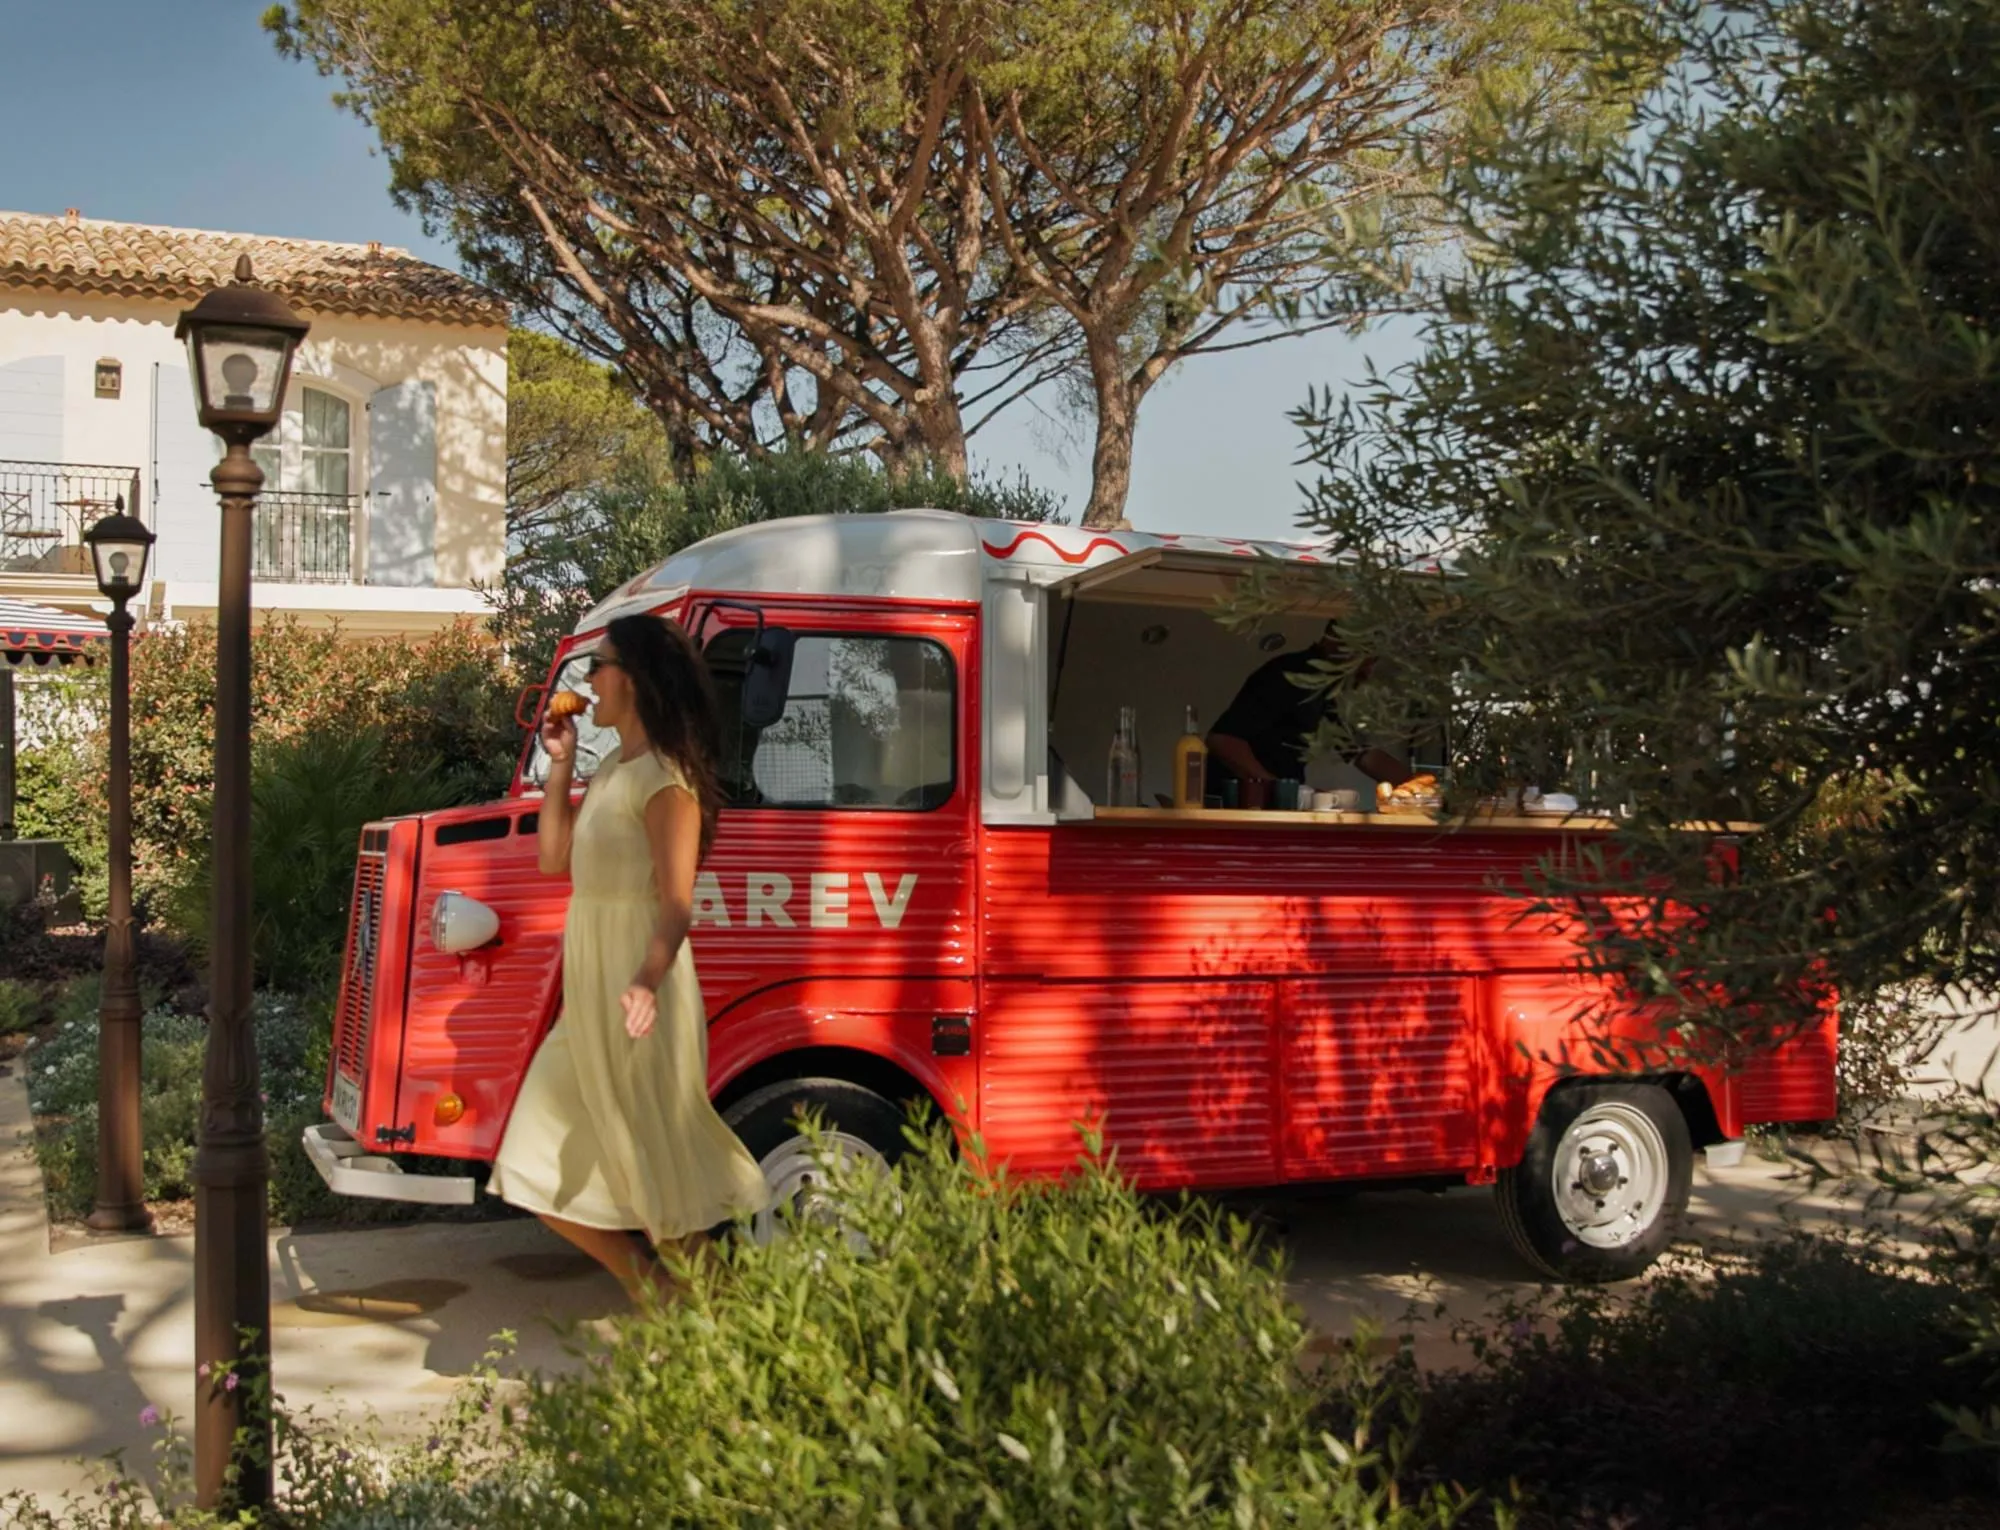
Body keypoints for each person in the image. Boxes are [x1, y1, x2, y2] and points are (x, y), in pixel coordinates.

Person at [487, 613, 770, 1301]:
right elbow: (555, 859)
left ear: (635, 680)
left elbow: (676, 902)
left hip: (641, 991)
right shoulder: (613, 768)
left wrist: (646, 980)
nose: (589, 682)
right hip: (591, 994)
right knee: (529, 1165)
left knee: (657, 1179)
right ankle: (658, 1294)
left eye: (600, 666)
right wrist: (559, 765)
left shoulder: (667, 781)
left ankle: (732, 1326)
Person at [1207, 619, 1412, 792]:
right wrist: (1280, 792)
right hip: (1241, 805)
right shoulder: (1289, 676)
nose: (1368, 674)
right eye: (1367, 660)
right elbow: (1223, 741)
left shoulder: (1325, 691)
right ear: (1342, 646)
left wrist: (1422, 789)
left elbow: (1363, 754)